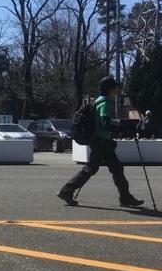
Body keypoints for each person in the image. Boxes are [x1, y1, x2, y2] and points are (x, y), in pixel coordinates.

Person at [57, 76, 144, 208]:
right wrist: (121, 128)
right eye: (115, 88)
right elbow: (104, 123)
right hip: (101, 142)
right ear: (110, 89)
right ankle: (66, 190)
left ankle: (125, 197)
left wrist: (118, 125)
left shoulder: (98, 102)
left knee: (115, 169)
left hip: (101, 141)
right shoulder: (105, 103)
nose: (116, 90)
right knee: (92, 169)